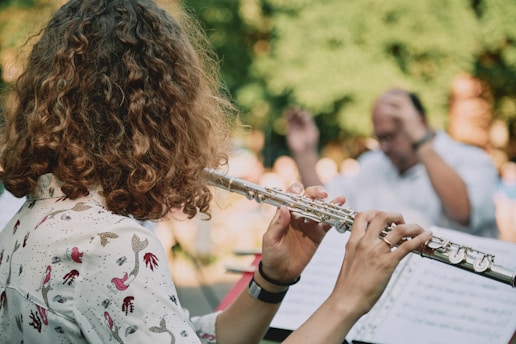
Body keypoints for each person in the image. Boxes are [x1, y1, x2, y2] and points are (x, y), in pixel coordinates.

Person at [0, 1, 431, 343]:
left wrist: (273, 278)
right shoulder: (108, 246)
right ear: (159, 113)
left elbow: (174, 332)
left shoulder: (32, 219)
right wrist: (347, 300)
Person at [285, 88, 499, 238]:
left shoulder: (472, 159)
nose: (384, 146)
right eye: (380, 138)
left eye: (391, 136)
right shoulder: (372, 164)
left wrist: (420, 141)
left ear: (420, 122)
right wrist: (304, 154)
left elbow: (464, 214)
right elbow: (327, 208)